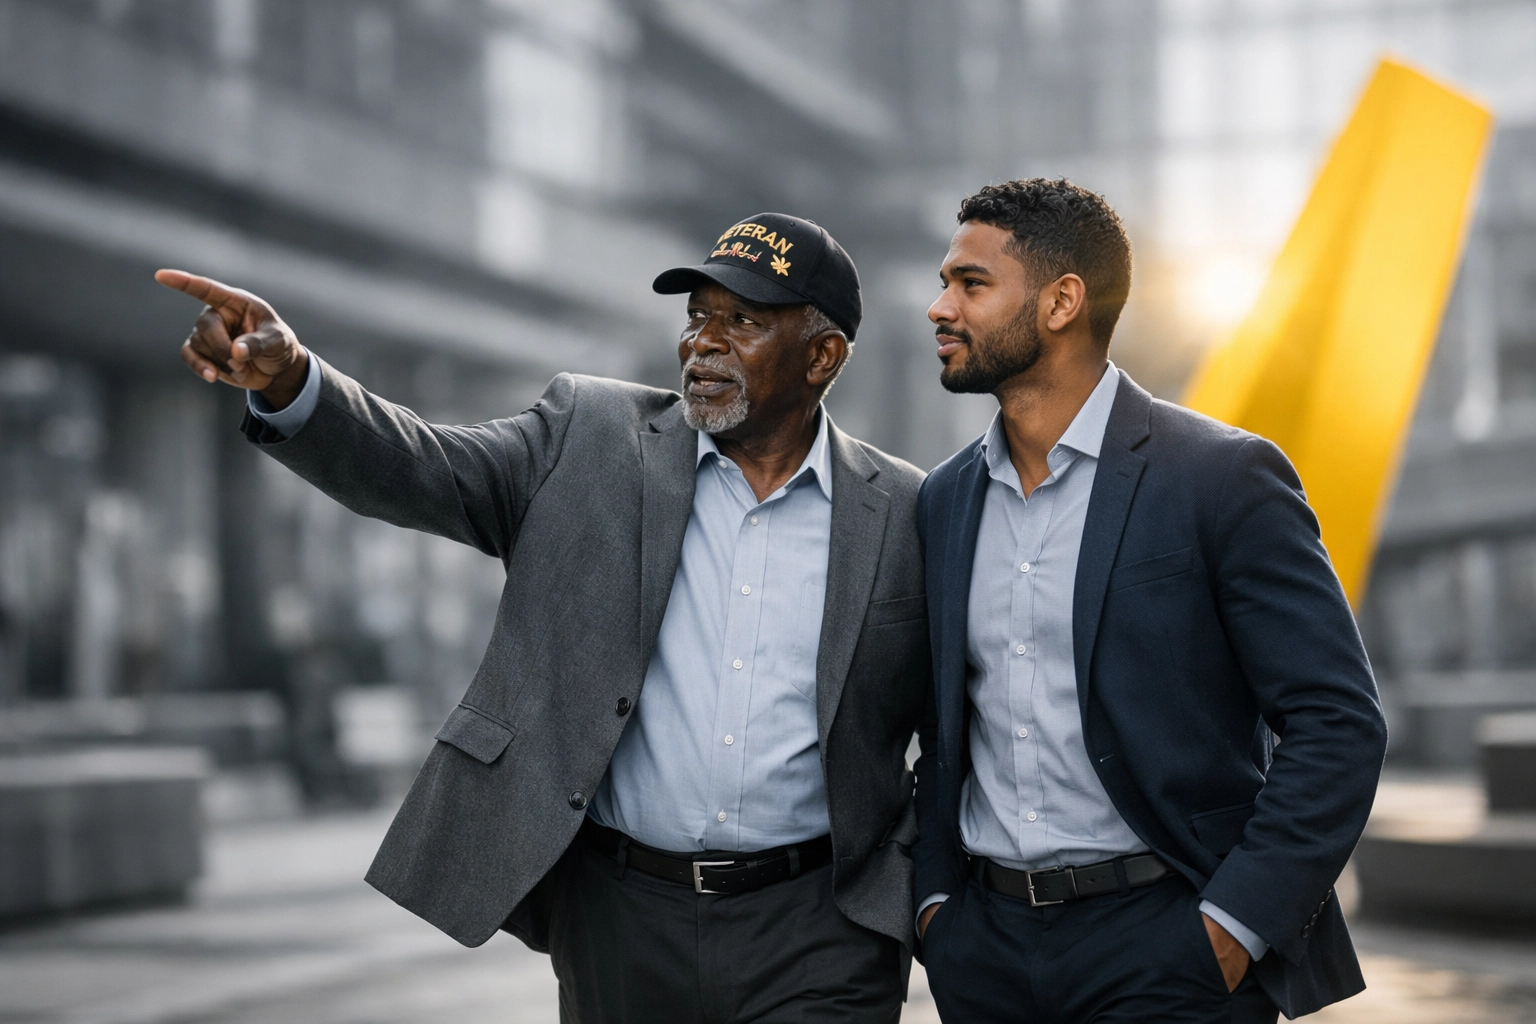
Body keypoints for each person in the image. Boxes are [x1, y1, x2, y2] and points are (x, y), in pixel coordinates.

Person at [157, 212, 929, 1023]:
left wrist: (920, 894)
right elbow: (424, 465)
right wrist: (291, 381)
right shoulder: (589, 435)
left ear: (823, 355)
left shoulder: (905, 510)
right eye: (697, 316)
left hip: (818, 931)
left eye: (742, 321)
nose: (704, 342)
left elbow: (952, 728)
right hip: (623, 917)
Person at [910, 179, 1388, 1023]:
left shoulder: (1222, 477)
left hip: (1167, 945)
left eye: (970, 284)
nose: (940, 307)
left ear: (1062, 302)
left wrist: (1233, 927)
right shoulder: (944, 500)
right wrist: (937, 909)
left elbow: (1337, 720)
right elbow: (941, 730)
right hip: (984, 953)